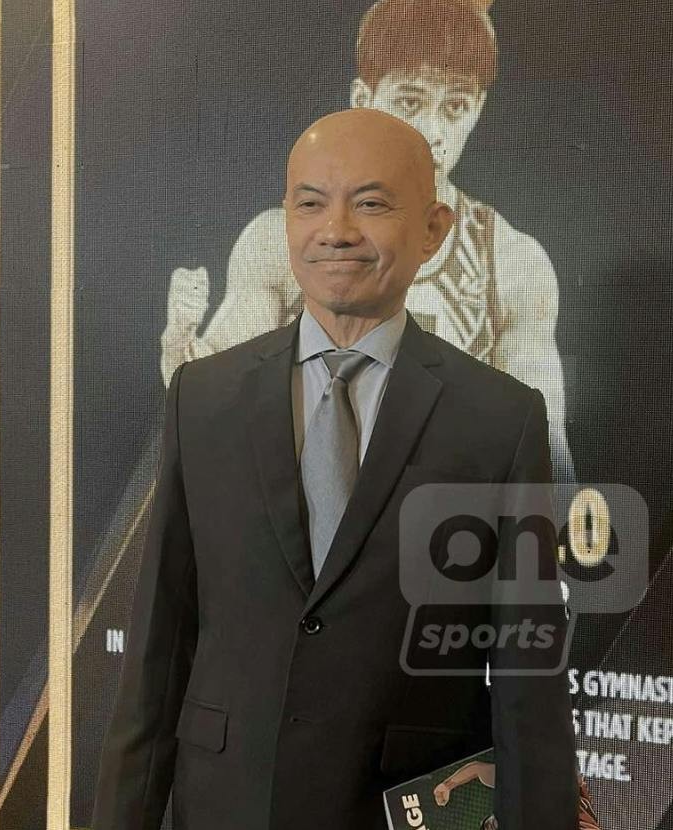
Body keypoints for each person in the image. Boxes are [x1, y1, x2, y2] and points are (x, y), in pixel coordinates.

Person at [89, 108, 578, 830]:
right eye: (310, 203)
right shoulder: (205, 398)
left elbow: (529, 666)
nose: (336, 230)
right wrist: (122, 826)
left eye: (372, 204)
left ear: (433, 229)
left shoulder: (500, 418)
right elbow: (163, 629)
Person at [159, 0, 575, 484]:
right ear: (363, 99)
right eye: (409, 103)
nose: (433, 133)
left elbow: (545, 450)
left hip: (444, 522)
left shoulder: (511, 262)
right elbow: (219, 403)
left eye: (456, 107)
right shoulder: (280, 242)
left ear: (478, 109)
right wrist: (181, 348)